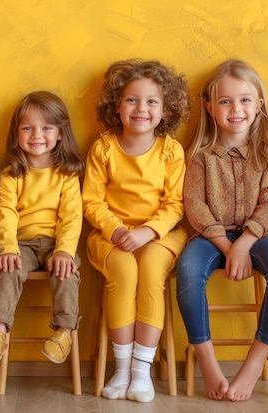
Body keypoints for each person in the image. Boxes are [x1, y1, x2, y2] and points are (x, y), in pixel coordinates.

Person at [176, 59, 268, 402]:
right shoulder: (199, 156)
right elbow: (194, 205)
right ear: (210, 107)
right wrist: (228, 248)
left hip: (259, 236)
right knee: (186, 268)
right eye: (226, 101)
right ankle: (206, 358)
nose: (236, 109)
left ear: (259, 105)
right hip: (211, 237)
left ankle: (256, 360)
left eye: (244, 99)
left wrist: (244, 243)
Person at [82, 58, 191, 403]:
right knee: (125, 271)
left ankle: (142, 373)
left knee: (150, 267)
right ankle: (123, 368)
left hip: (160, 235)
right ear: (116, 105)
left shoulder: (171, 150)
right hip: (109, 236)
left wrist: (147, 233)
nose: (141, 108)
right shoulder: (103, 148)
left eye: (151, 101)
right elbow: (92, 202)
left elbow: (175, 205)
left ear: (165, 109)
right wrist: (115, 231)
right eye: (131, 100)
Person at [0, 91, 85, 366]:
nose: (37, 134)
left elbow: (72, 217)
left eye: (46, 128)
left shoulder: (67, 174)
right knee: (7, 268)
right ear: (17, 133)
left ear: (60, 133)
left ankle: (64, 331)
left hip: (56, 244)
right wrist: (8, 249)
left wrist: (63, 251)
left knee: (67, 273)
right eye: (28, 128)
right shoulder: (12, 173)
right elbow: (6, 214)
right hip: (21, 244)